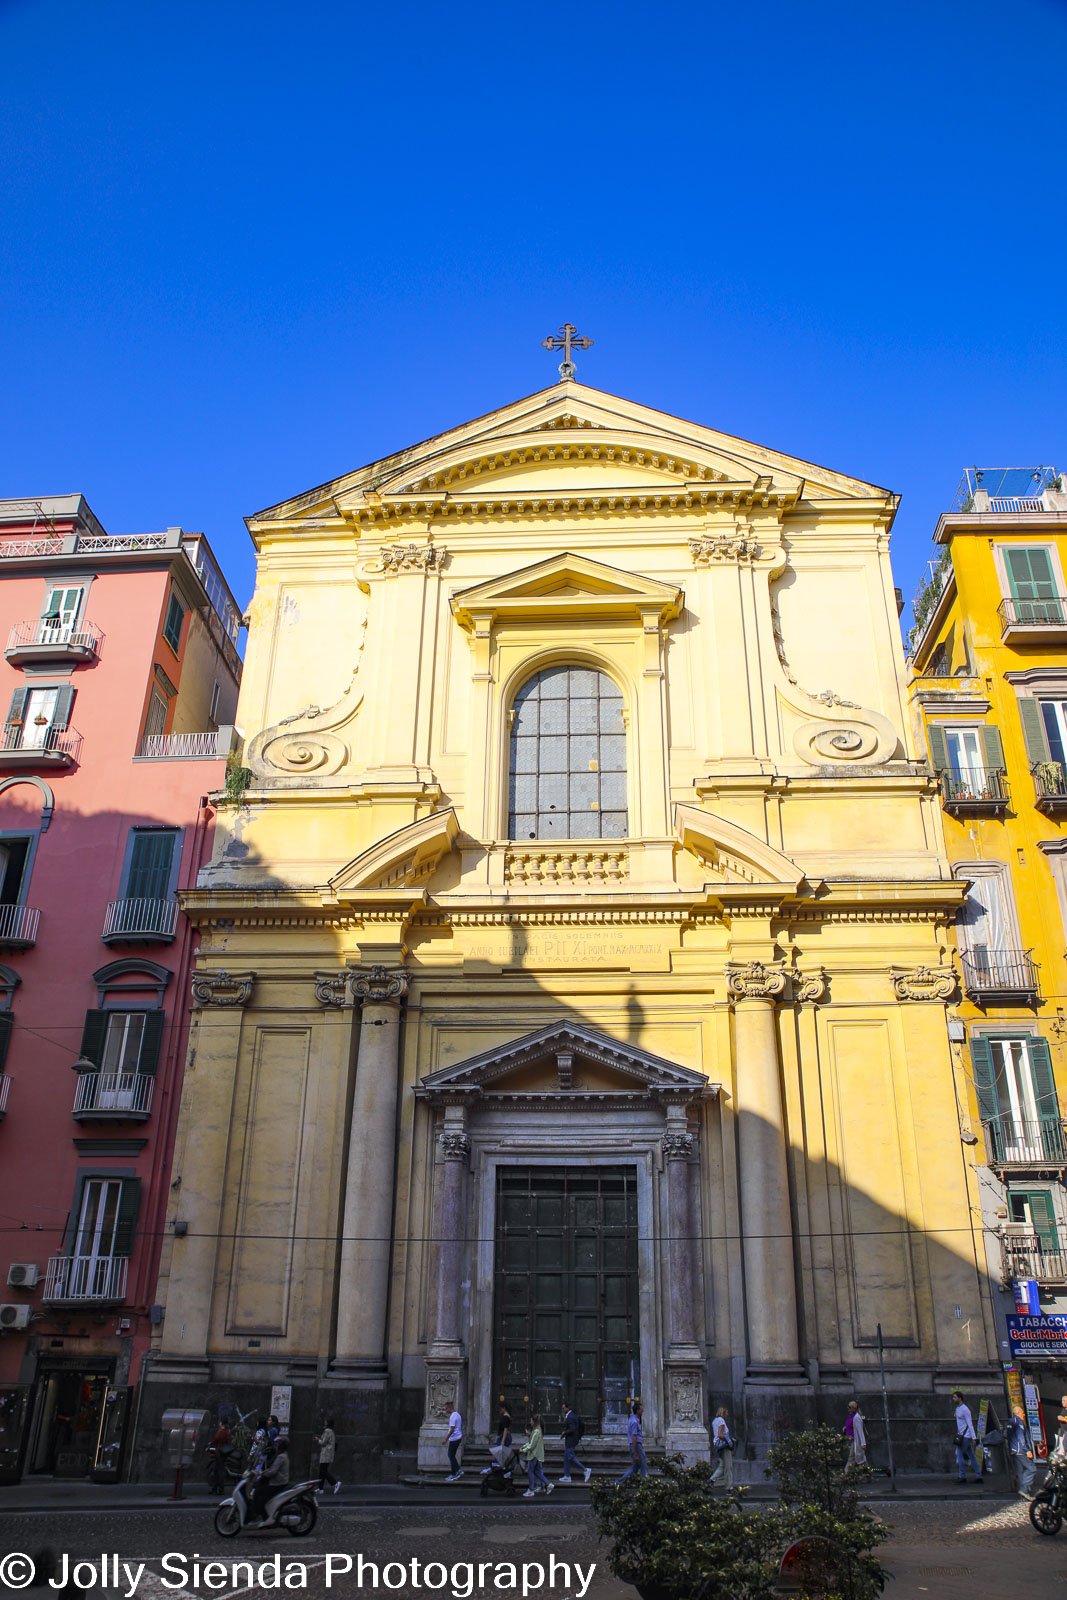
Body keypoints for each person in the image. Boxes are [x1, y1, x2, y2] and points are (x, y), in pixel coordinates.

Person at [251, 1433, 290, 1525]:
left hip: (277, 1483)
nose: (276, 1446)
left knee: (258, 1493)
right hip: (279, 1481)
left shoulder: (281, 1457)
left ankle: (263, 1516)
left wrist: (262, 1474)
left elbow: (273, 1471)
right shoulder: (283, 1455)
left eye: (277, 1444)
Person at [952, 1391, 982, 1484]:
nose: (953, 1399)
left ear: (960, 1398)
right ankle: (978, 1476)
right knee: (971, 1456)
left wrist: (974, 1438)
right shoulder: (958, 1409)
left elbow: (970, 1424)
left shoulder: (965, 1409)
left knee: (960, 1455)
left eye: (955, 1397)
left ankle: (962, 1476)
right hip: (962, 1436)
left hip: (966, 1436)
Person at [1006, 1404, 1036, 1498]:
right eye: (1023, 1413)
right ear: (1018, 1413)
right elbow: (1021, 1438)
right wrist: (1027, 1450)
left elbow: (1006, 1435)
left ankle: (1021, 1491)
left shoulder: (1010, 1422)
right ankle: (1024, 1489)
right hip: (1021, 1451)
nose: (1024, 1415)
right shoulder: (1019, 1422)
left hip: (1014, 1450)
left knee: (1020, 1471)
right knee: (1032, 1469)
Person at [559, 1401, 591, 1485]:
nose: (562, 1409)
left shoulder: (570, 1417)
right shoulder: (572, 1415)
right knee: (566, 1457)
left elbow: (572, 1429)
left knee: (570, 1457)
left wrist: (564, 1433)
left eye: (563, 1408)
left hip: (571, 1440)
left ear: (567, 1408)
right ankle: (567, 1476)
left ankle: (585, 1470)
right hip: (573, 1439)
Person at [520, 1412, 552, 1497]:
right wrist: (524, 1447)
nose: (530, 1422)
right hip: (537, 1455)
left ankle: (531, 1489)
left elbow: (532, 1445)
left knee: (530, 1471)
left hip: (533, 1455)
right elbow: (531, 1443)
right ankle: (548, 1484)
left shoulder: (536, 1431)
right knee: (537, 1472)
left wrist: (523, 1450)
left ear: (534, 1422)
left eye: (531, 1420)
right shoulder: (538, 1430)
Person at [619, 1400, 647, 1482]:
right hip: (637, 1446)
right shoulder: (634, 1422)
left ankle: (619, 1482)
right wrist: (636, 1453)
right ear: (637, 1410)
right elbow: (634, 1437)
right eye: (641, 1409)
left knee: (635, 1467)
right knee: (643, 1465)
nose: (643, 1410)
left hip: (635, 1445)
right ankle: (644, 1483)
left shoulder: (632, 1419)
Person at [315, 1415, 341, 1495]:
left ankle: (335, 1483)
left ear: (327, 1423)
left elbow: (323, 1443)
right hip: (329, 1454)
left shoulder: (327, 1431)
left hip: (325, 1453)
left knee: (323, 1471)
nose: (324, 1422)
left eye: (325, 1421)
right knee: (322, 1471)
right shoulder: (331, 1431)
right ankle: (320, 1488)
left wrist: (318, 1439)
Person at [710, 1406, 735, 1486]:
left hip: (718, 1445)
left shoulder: (714, 1421)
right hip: (724, 1446)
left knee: (722, 1465)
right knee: (728, 1467)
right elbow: (720, 1435)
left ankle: (711, 1480)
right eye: (726, 1412)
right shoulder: (721, 1420)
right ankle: (729, 1487)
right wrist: (730, 1439)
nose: (727, 1414)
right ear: (723, 1412)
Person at [843, 1401, 867, 1468]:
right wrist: (845, 1428)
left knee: (851, 1459)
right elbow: (849, 1425)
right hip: (850, 1441)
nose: (848, 1408)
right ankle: (867, 1474)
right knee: (860, 1460)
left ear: (853, 1408)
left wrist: (863, 1443)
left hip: (855, 1441)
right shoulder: (851, 1416)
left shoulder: (856, 1418)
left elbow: (860, 1431)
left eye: (849, 1407)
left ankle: (846, 1475)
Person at [445, 1405, 463, 1481]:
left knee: (450, 1455)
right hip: (458, 1437)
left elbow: (452, 1429)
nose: (445, 1410)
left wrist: (446, 1439)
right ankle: (456, 1471)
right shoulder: (458, 1414)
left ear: (450, 1408)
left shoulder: (452, 1416)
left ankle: (455, 1473)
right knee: (452, 1455)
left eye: (446, 1408)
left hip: (454, 1439)